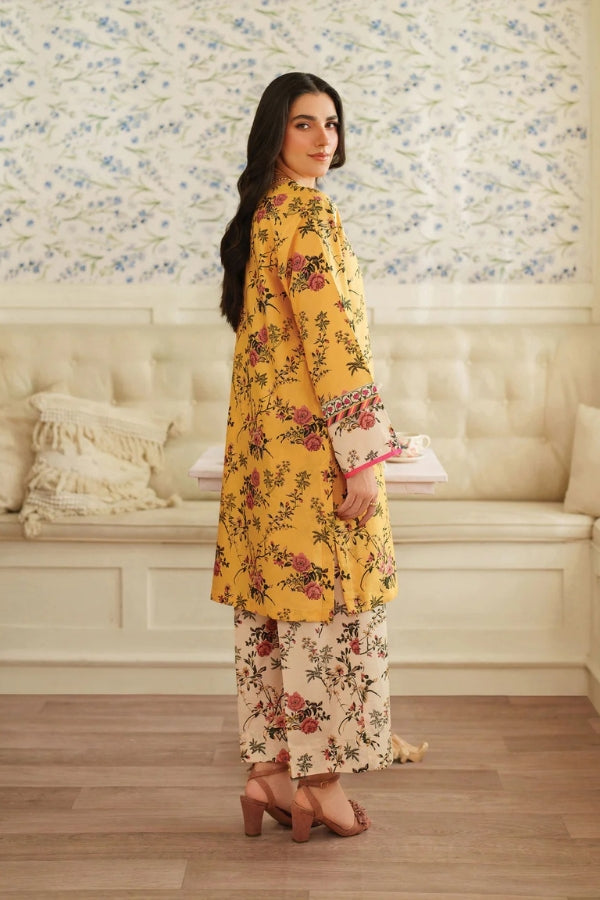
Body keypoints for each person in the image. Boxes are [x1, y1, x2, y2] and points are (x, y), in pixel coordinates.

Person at [211, 72, 401, 842]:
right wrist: (363, 456)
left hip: (263, 459)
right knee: (325, 616)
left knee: (275, 611)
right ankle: (319, 786)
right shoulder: (309, 217)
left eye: (331, 122)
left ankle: (268, 773)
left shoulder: (262, 216)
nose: (324, 137)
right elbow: (333, 344)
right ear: (274, 135)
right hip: (312, 458)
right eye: (303, 124)